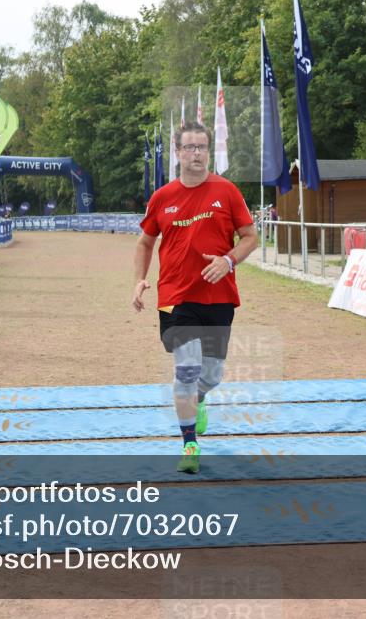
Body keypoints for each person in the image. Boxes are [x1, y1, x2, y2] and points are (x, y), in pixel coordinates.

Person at [132, 122, 259, 474]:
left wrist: (228, 260)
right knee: (186, 369)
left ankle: (199, 399)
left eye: (202, 147)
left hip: (219, 296)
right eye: (189, 147)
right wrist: (140, 279)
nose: (197, 153)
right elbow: (145, 242)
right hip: (175, 297)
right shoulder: (162, 197)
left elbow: (250, 237)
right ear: (178, 152)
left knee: (212, 374)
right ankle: (189, 444)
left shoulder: (227, 191)